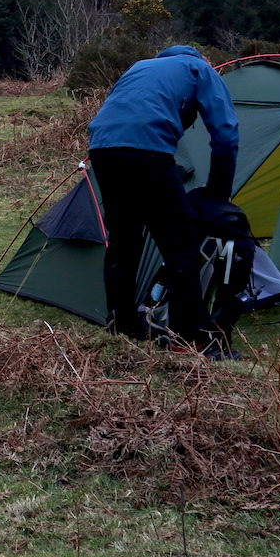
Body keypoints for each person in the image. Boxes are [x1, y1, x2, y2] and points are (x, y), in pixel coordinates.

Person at [87, 45, 240, 352]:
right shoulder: (201, 69)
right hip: (148, 152)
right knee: (182, 245)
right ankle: (191, 339)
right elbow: (226, 136)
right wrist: (218, 195)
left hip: (103, 149)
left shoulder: (140, 66)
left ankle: (122, 326)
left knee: (124, 242)